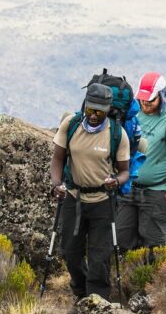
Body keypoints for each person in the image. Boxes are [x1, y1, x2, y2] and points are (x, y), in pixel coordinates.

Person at [50, 83, 130, 301]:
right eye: (90, 110)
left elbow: (125, 171)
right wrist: (56, 184)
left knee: (99, 256)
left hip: (102, 201)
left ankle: (97, 300)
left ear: (108, 110)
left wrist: (116, 181)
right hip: (73, 198)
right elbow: (57, 159)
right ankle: (81, 292)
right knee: (70, 252)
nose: (94, 116)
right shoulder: (71, 124)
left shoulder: (117, 134)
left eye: (99, 112)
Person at [116, 72, 166, 252]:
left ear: (161, 95)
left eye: (150, 100)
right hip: (129, 189)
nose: (145, 103)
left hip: (158, 192)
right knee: (121, 241)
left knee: (153, 246)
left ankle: (151, 271)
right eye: (142, 99)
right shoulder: (133, 112)